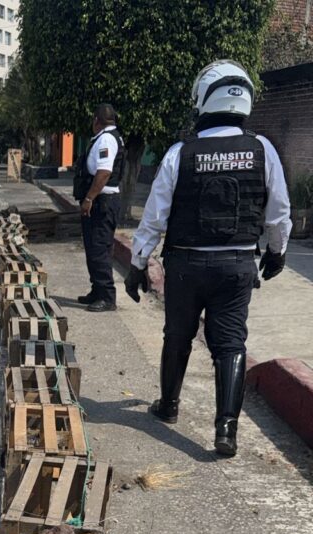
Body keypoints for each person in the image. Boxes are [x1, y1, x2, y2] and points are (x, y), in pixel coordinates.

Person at [125, 60, 292, 456]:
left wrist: (137, 264)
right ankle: (226, 431)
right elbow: (279, 211)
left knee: (177, 335)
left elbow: (154, 217)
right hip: (237, 266)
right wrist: (277, 251)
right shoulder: (262, 149)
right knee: (230, 344)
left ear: (203, 98)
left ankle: (168, 405)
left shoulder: (180, 153)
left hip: (186, 266)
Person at [74, 103, 124, 312]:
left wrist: (89, 198)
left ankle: (107, 297)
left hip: (102, 202)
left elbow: (104, 173)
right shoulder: (107, 137)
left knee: (99, 249)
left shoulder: (106, 139)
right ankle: (97, 290)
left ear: (96, 120)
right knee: (94, 248)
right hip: (100, 201)